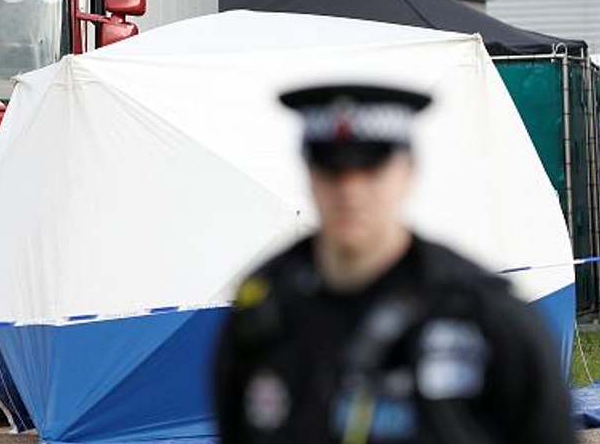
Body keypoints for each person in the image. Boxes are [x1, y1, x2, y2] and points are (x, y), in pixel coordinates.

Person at [213, 84, 576, 444]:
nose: (350, 192)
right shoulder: (262, 315)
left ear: (408, 173)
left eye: (372, 169)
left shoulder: (483, 317)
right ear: (308, 172)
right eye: (331, 170)